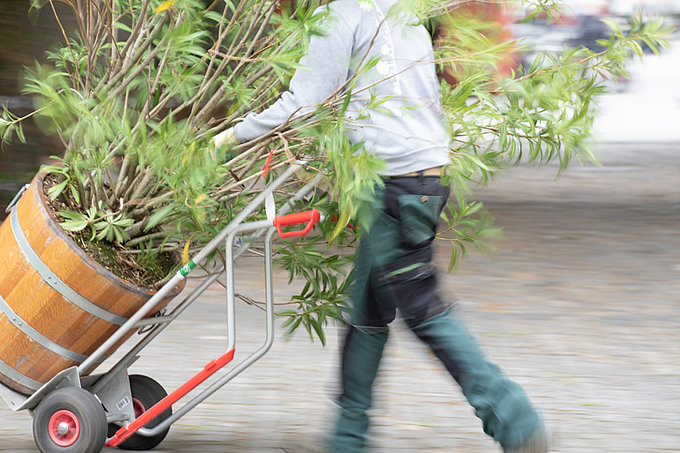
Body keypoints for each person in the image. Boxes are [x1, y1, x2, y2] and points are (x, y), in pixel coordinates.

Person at [213, 1, 550, 452]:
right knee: (368, 309)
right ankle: (348, 437)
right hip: (421, 176)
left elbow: (304, 102)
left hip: (395, 183)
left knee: (421, 306)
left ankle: (514, 420)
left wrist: (230, 137)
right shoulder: (399, 9)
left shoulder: (341, 14)